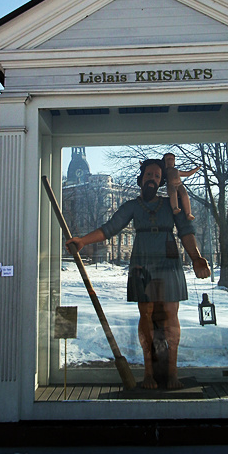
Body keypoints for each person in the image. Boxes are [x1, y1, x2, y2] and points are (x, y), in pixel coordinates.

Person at [66, 158, 210, 390]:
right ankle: (149, 373)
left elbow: (186, 230)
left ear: (161, 180)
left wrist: (196, 258)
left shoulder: (170, 204)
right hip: (142, 264)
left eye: (156, 176)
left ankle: (172, 373)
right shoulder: (133, 206)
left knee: (171, 314)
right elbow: (109, 228)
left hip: (168, 262)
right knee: (147, 314)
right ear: (141, 178)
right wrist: (82, 241)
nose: (152, 179)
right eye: (148, 175)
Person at [162, 152, 200, 220]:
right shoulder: (164, 171)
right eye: (168, 159)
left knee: (185, 195)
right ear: (164, 162)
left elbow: (188, 173)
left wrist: (196, 169)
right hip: (171, 185)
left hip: (180, 185)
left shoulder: (177, 171)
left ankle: (188, 213)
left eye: (172, 159)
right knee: (173, 194)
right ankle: (175, 207)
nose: (170, 160)